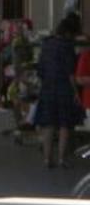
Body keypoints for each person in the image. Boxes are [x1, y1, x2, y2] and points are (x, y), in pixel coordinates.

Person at [34, 11, 83, 170]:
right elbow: (70, 73)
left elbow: (40, 68)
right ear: (70, 33)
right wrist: (76, 92)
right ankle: (62, 158)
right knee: (64, 124)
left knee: (48, 124)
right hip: (64, 88)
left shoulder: (47, 44)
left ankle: (47, 159)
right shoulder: (67, 47)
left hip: (47, 87)